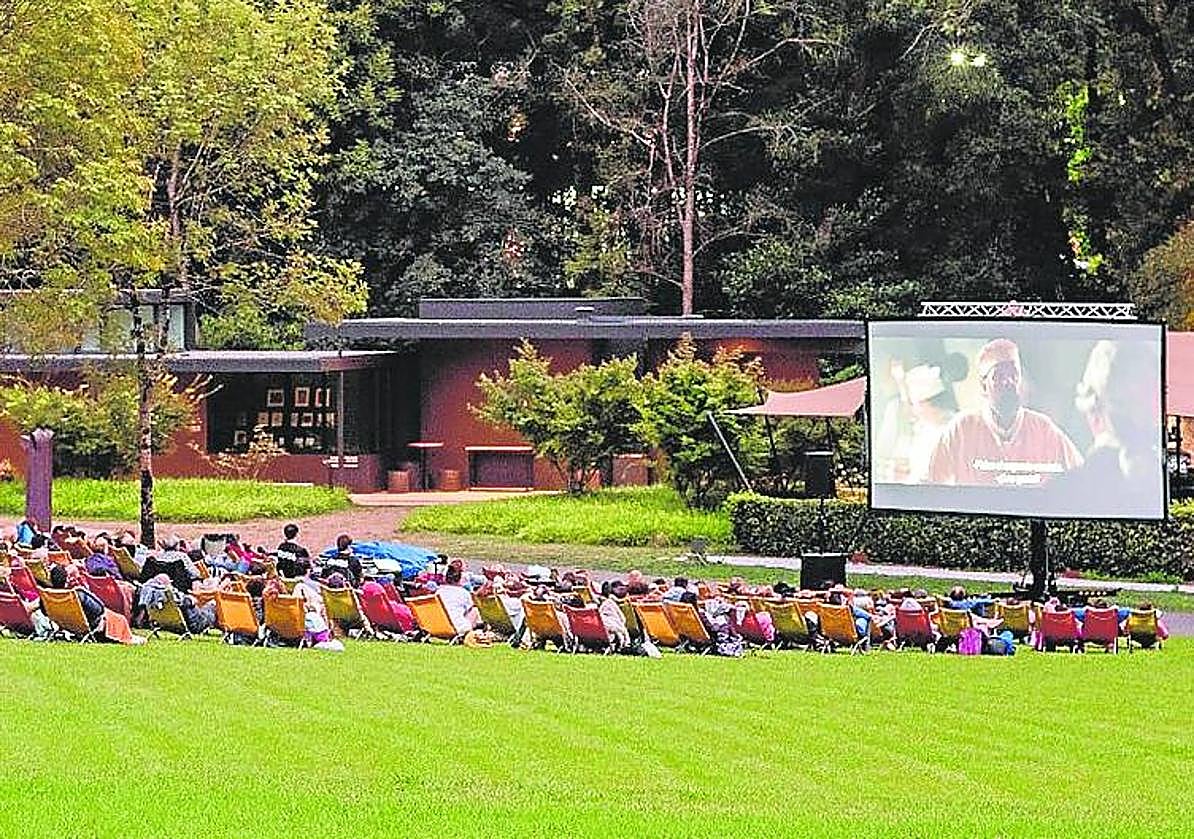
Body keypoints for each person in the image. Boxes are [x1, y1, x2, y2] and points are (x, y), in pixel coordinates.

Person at [927, 338, 1082, 486]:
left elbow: (1081, 476)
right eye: (998, 376)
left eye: (1013, 375)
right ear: (983, 386)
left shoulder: (1044, 429)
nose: (1008, 382)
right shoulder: (960, 430)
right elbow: (932, 486)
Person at [437, 561, 480, 635]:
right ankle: (477, 631)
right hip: (457, 627)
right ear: (460, 579)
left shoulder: (439, 592)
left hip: (439, 626)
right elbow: (471, 608)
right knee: (474, 610)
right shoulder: (464, 593)